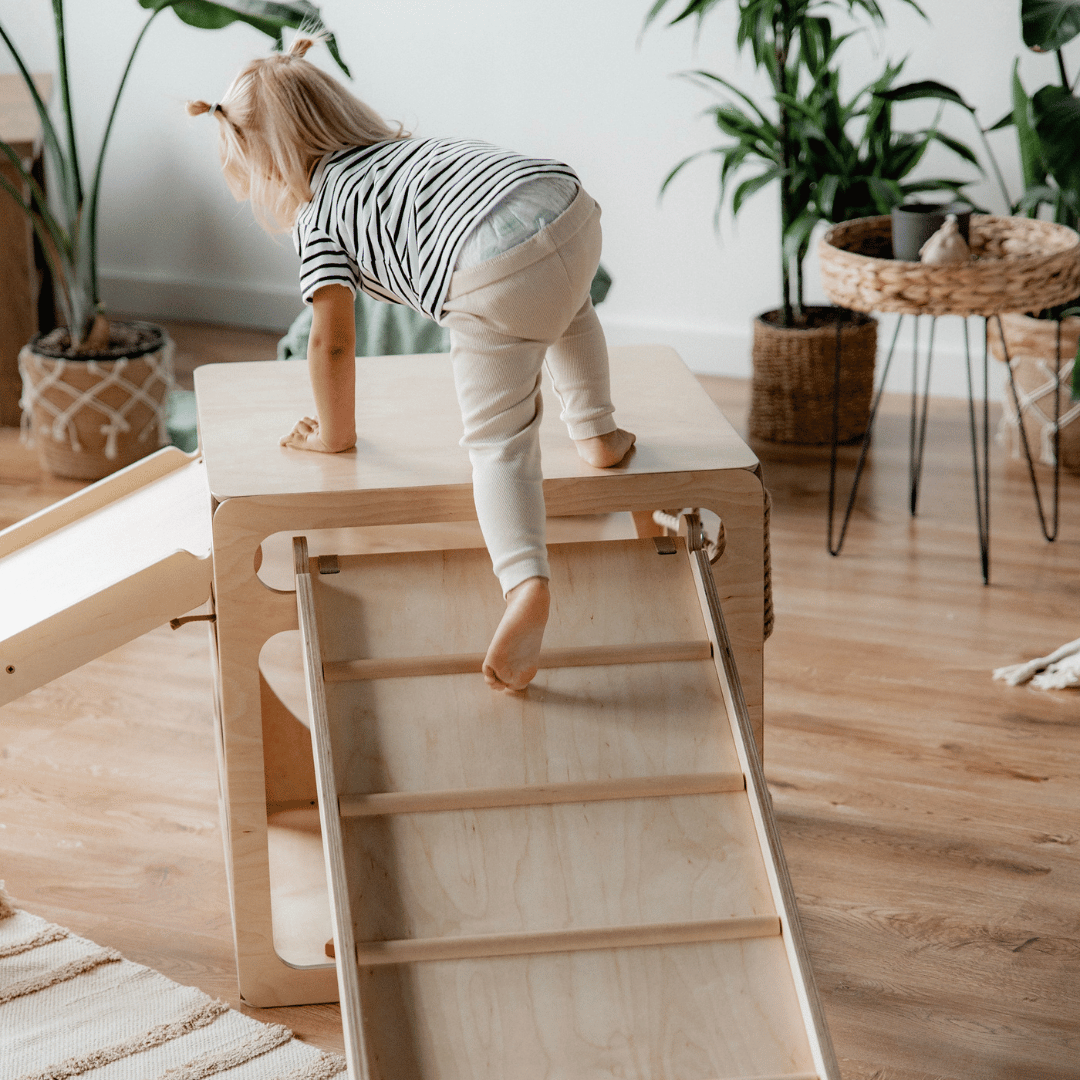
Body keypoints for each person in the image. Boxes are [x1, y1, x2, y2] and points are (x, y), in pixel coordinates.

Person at [188, 36, 635, 693]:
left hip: (492, 270)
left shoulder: (319, 216)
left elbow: (332, 341)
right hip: (566, 204)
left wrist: (335, 435)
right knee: (569, 308)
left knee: (499, 443)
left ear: (266, 165)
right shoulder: (407, 155)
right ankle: (597, 430)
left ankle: (525, 585)